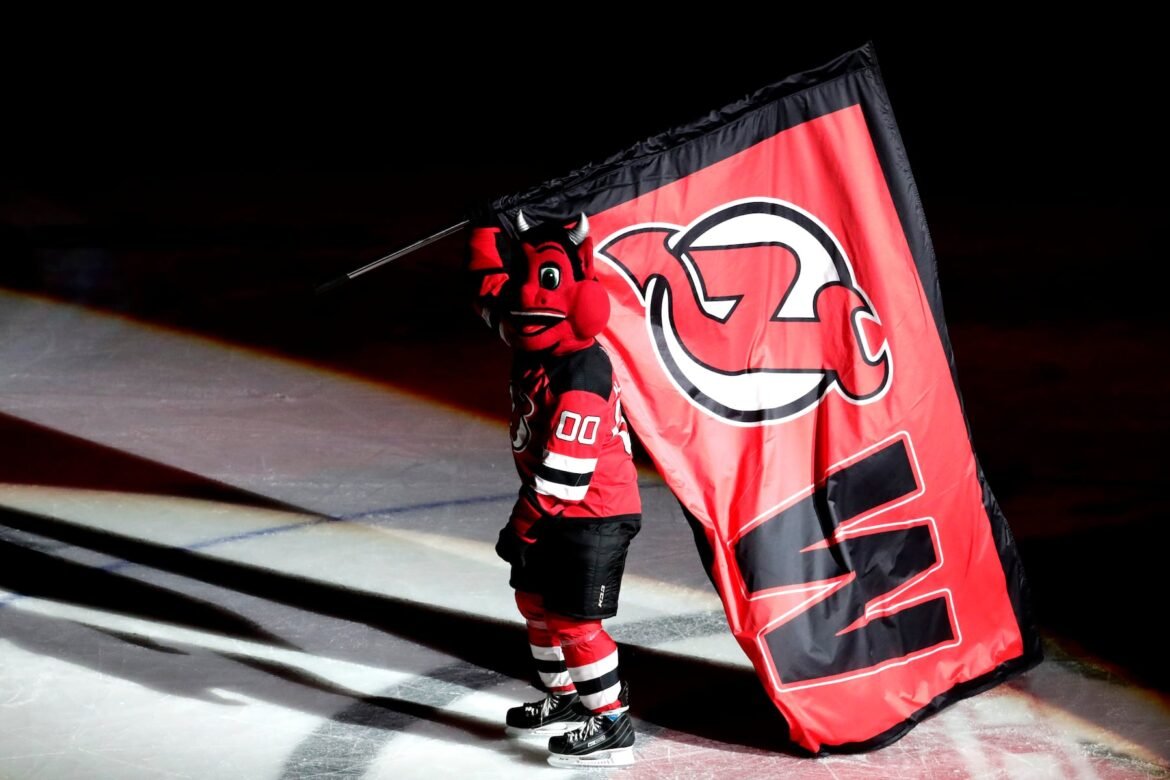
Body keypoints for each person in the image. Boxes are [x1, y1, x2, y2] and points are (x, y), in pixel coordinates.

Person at [467, 210, 642, 768]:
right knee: (534, 606)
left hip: (592, 512)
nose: (524, 295)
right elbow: (490, 294)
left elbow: (566, 473)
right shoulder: (532, 342)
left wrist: (522, 528)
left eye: (542, 280)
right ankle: (565, 699)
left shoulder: (583, 372)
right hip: (550, 510)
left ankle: (612, 722)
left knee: (573, 622)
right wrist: (483, 230)